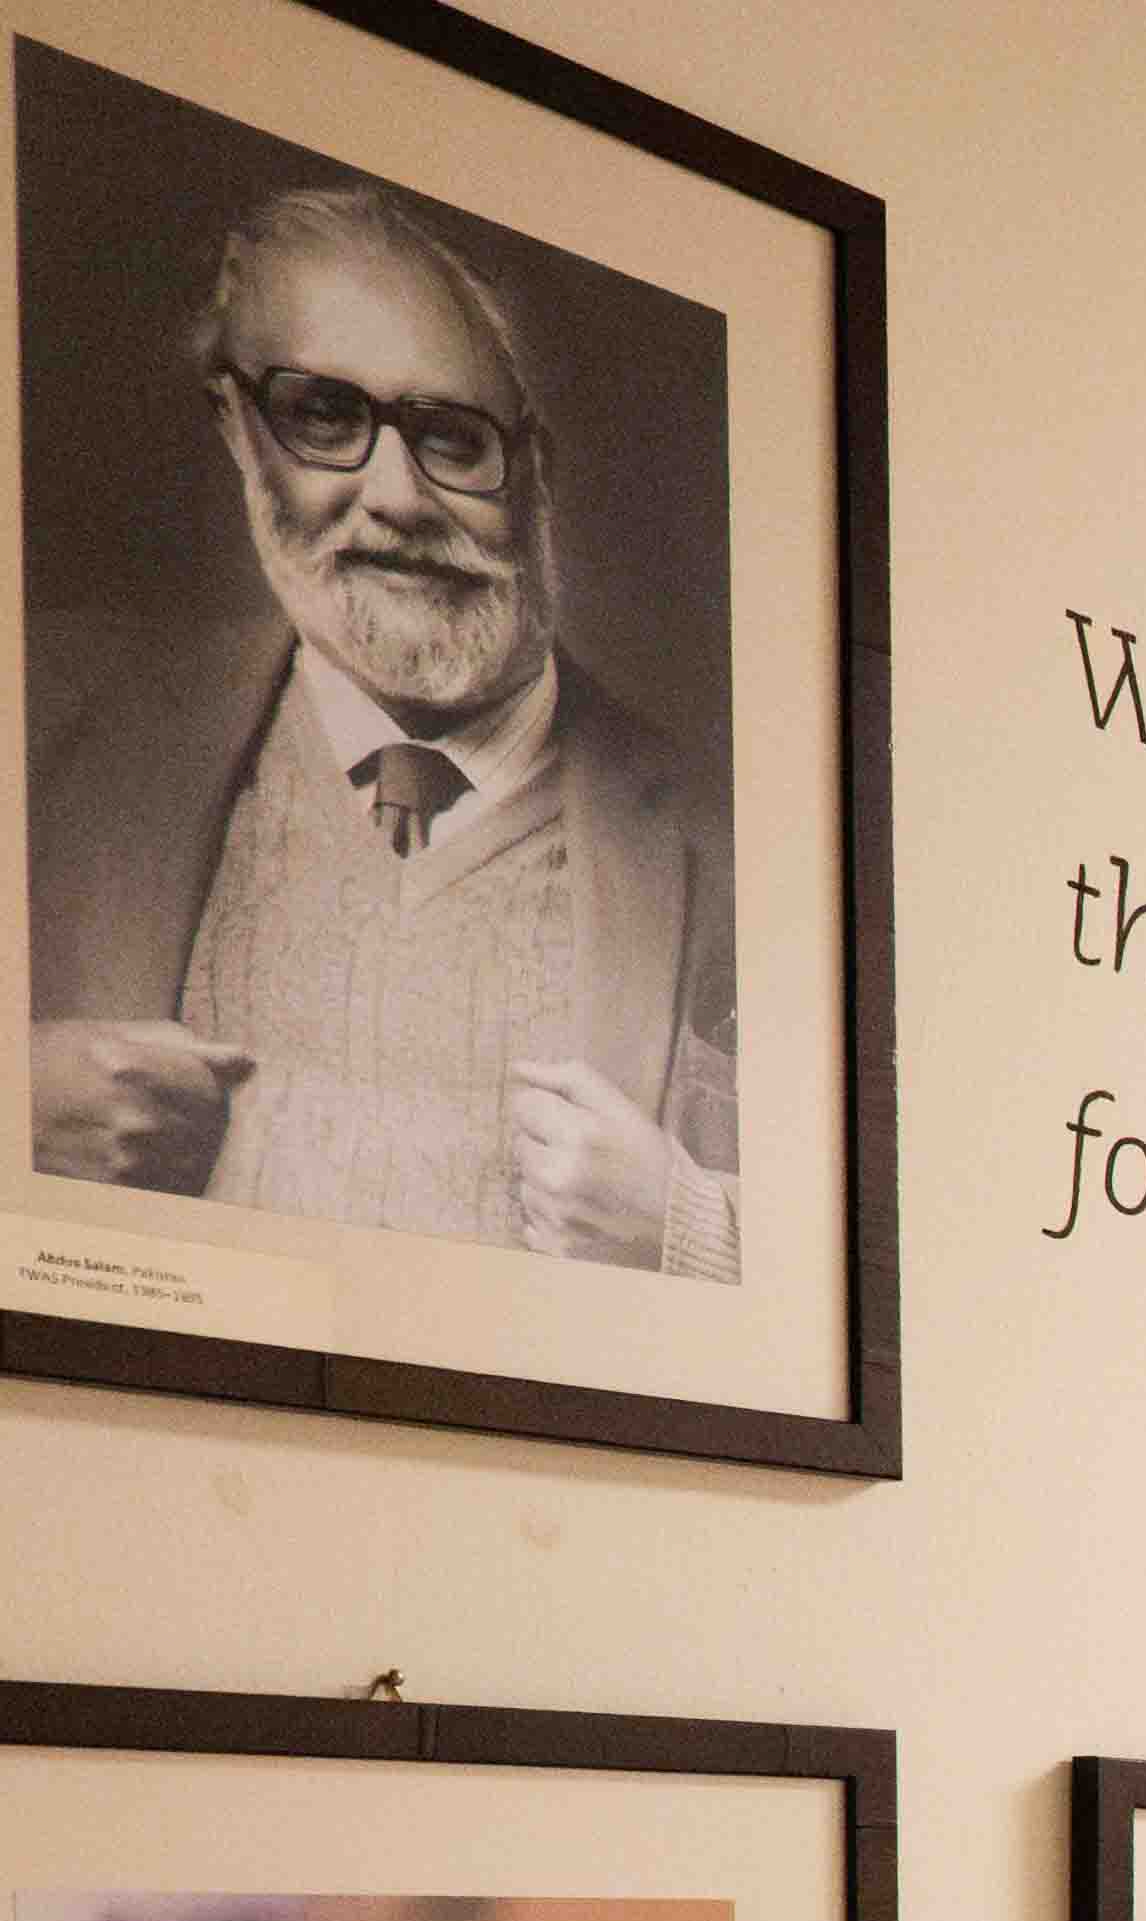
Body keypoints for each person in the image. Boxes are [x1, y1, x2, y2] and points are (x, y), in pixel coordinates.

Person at [28, 181, 739, 1274]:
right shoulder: (45, 722)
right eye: (325, 418)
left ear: (534, 472)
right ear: (238, 430)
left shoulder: (732, 834)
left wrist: (697, 1231)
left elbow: (891, 1264)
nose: (398, 497)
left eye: (453, 439)